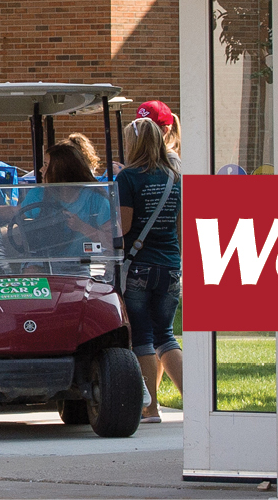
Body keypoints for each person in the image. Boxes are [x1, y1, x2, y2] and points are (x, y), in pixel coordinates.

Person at [117, 116, 184, 423]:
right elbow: (179, 224)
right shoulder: (174, 175)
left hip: (139, 266)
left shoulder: (128, 178)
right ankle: (195, 402)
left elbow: (125, 224)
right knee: (166, 336)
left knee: (142, 337)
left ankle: (151, 408)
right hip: (170, 263)